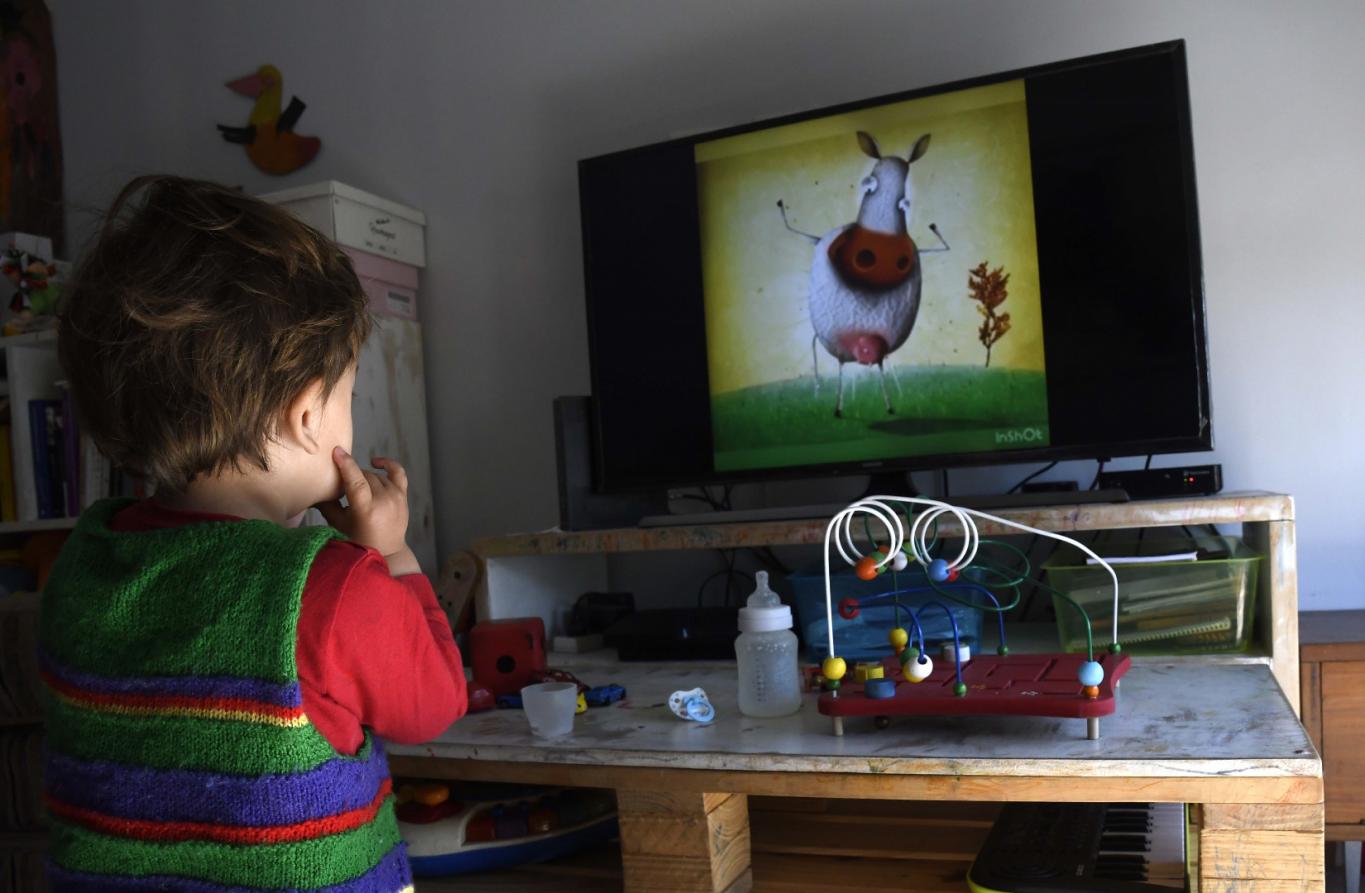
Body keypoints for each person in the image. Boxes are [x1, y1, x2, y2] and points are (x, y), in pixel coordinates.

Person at [39, 175, 466, 891]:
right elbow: (434, 705)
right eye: (347, 395)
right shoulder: (330, 586)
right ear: (307, 413)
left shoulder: (82, 561)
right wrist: (390, 551)